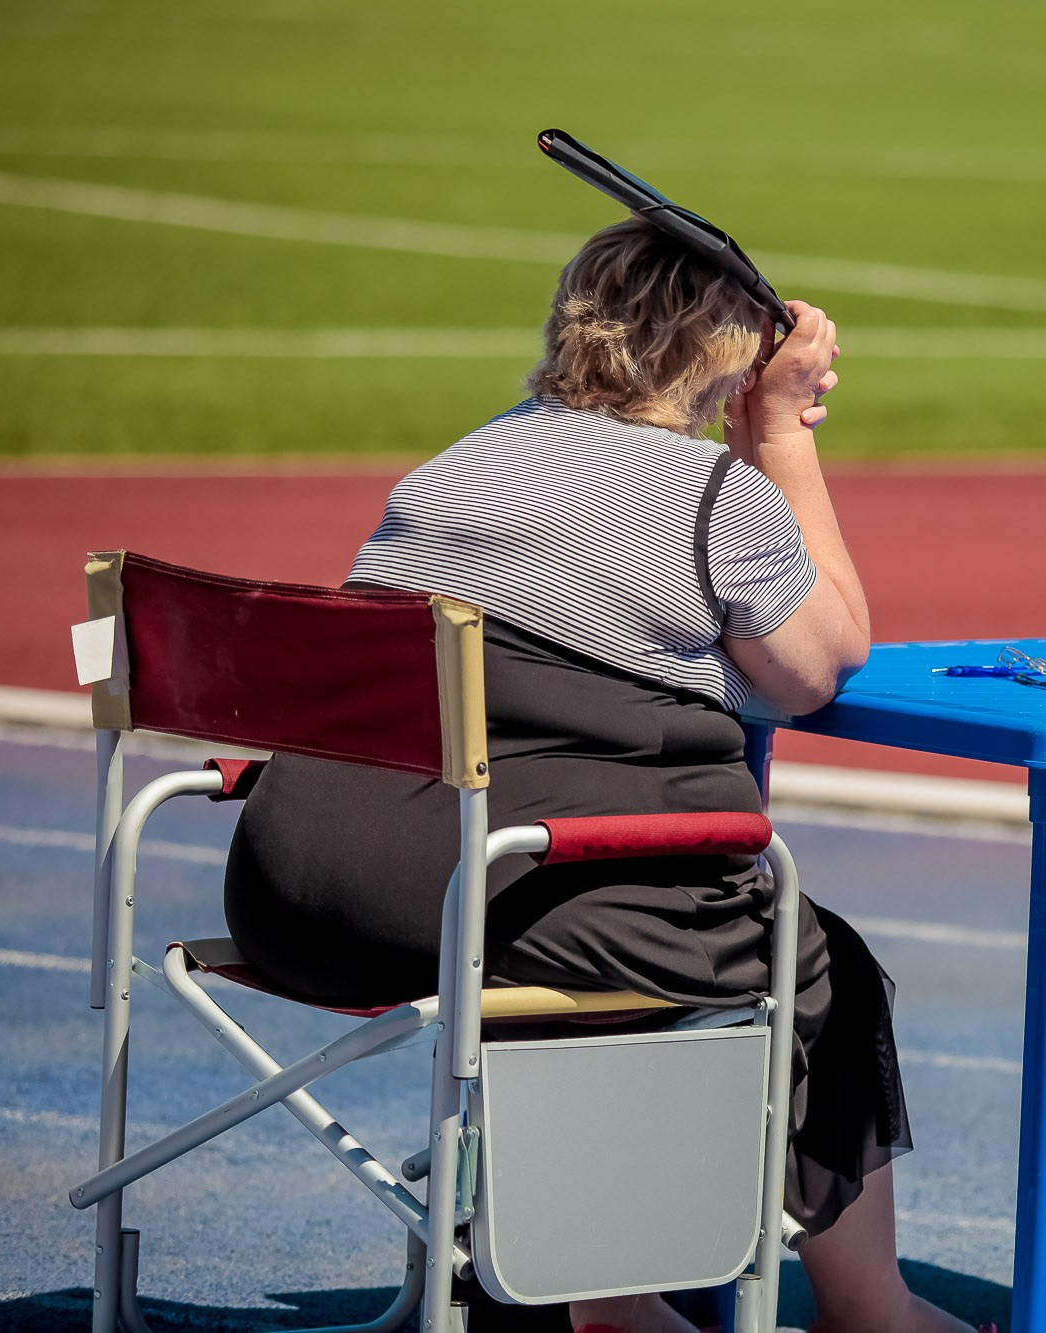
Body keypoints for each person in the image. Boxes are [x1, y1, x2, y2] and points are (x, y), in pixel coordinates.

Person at [221, 218, 982, 1333]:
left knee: (579, 932)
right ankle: (873, 1314)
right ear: (723, 352)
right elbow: (822, 664)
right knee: (808, 964)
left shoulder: (454, 465)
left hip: (294, 891)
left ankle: (614, 1301)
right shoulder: (714, 499)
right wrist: (781, 433)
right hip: (482, 888)